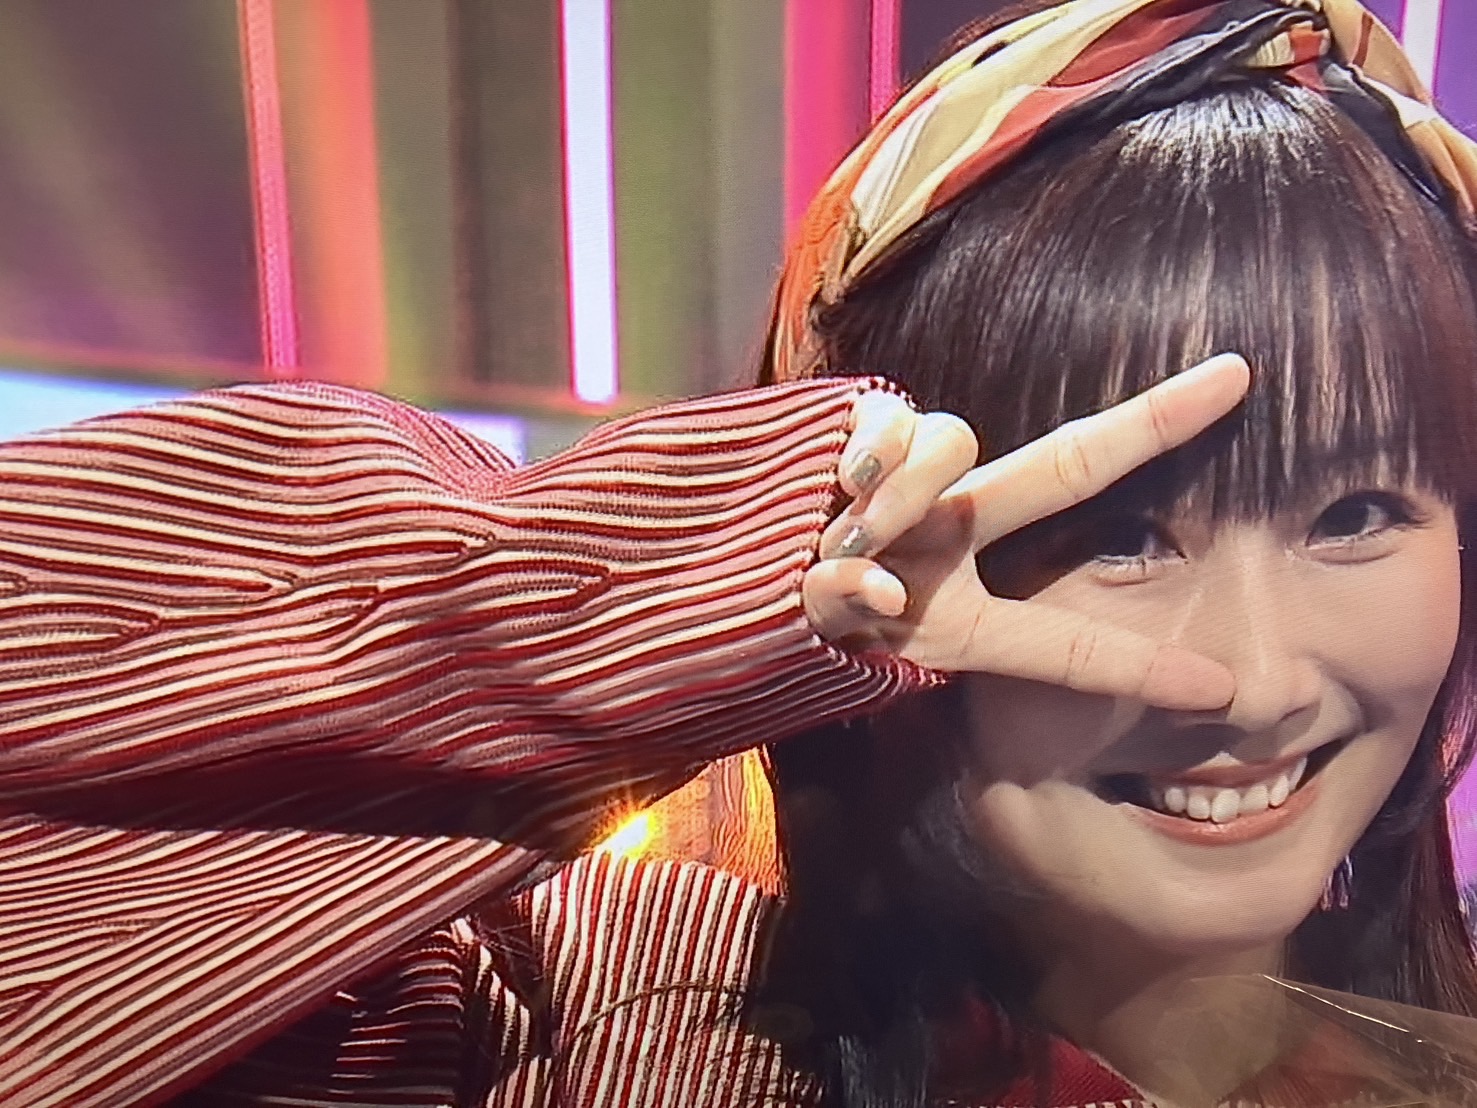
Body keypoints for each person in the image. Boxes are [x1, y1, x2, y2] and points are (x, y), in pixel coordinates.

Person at [2, 1, 1476, 1106]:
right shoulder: (586, 1021)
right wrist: (699, 575)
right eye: (1114, 534)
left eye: (1355, 514)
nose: (1254, 681)